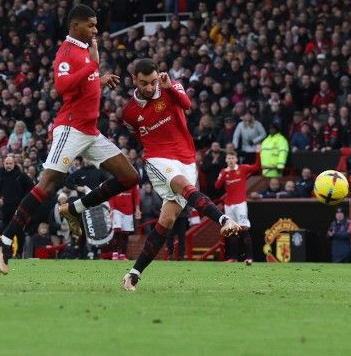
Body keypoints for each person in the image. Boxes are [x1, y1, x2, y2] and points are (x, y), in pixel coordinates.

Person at [0, 5, 140, 275]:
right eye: (91, 25)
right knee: (46, 185)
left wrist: (99, 79)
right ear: (75, 26)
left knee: (130, 177)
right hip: (71, 128)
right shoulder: (67, 51)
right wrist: (93, 68)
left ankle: (75, 208)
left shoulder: (84, 50)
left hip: (91, 131)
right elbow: (62, 86)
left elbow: (83, 82)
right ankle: (3, 242)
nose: (96, 30)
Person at [120, 59, 240, 291]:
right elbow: (138, 134)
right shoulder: (129, 112)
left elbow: (186, 105)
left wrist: (168, 87)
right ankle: (224, 220)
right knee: (181, 184)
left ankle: (133, 274)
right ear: (134, 79)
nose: (150, 87)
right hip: (157, 158)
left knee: (167, 220)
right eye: (144, 83)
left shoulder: (170, 86)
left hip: (186, 158)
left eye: (154, 81)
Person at [215, 148, 260, 265]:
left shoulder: (242, 169)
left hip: (240, 204)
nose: (230, 160)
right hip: (229, 205)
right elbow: (217, 186)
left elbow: (256, 167)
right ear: (226, 159)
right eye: (228, 158)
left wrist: (258, 153)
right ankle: (233, 258)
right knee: (231, 231)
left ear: (236, 159)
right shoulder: (224, 172)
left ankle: (250, 258)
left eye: (232, 158)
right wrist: (223, 174)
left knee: (244, 229)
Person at [108, 184, 140, 260]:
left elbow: (136, 196)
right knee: (117, 230)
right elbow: (110, 195)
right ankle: (115, 253)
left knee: (125, 233)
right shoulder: (115, 180)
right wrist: (112, 209)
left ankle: (123, 254)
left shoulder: (133, 182)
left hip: (128, 210)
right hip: (116, 209)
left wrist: (137, 209)